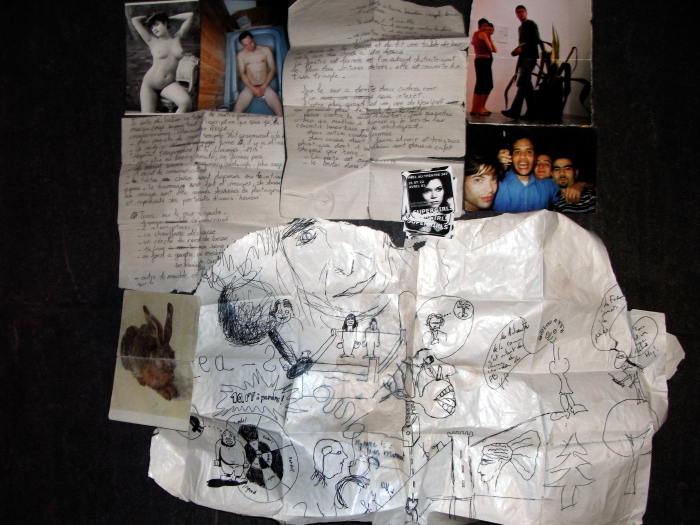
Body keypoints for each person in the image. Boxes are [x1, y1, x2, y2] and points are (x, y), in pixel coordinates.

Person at [493, 137, 583, 213]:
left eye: (529, 152)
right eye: (517, 152)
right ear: (511, 157)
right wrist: (496, 164)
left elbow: (567, 185)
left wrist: (579, 185)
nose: (523, 156)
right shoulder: (497, 182)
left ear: (535, 157)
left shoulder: (548, 185)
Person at [130, 11, 195, 113]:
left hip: (168, 84)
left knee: (186, 103)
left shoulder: (178, 38)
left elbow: (190, 15)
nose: (154, 29)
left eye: (156, 24)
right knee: (147, 119)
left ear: (165, 23)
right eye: (151, 27)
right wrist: (150, 17)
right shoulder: (151, 40)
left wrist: (169, 18)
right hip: (150, 85)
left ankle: (173, 123)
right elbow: (135, 20)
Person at [502, 5, 540, 120]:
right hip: (524, 58)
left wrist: (522, 49)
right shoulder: (521, 27)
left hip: (530, 57)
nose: (520, 14)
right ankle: (532, 113)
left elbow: (536, 40)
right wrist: (517, 51)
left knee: (523, 84)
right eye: (518, 12)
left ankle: (515, 111)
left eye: (522, 11)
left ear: (526, 12)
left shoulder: (530, 24)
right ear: (516, 14)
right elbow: (524, 44)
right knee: (527, 85)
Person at [233, 31, 283, 116]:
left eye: (250, 43)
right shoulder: (241, 55)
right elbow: (242, 73)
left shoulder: (265, 50)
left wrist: (264, 86)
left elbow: (272, 69)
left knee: (280, 112)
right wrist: (253, 89)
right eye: (246, 45)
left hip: (265, 84)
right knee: (236, 111)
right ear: (242, 45)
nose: (249, 46)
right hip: (250, 86)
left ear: (253, 39)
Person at [469, 19, 497, 116]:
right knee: (487, 85)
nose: (486, 28)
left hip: (479, 60)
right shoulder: (483, 34)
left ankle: (474, 109)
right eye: (485, 26)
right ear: (480, 26)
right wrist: (489, 38)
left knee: (480, 85)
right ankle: (481, 108)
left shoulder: (475, 34)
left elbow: (473, 43)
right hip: (484, 61)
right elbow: (492, 49)